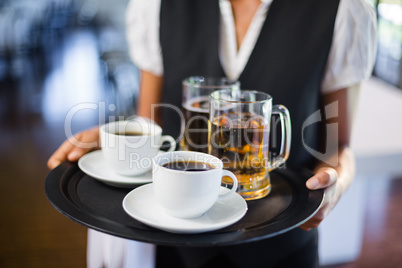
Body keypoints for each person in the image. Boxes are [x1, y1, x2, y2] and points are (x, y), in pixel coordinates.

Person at [48, 0, 377, 267]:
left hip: (281, 246)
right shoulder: (155, 5)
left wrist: (335, 183)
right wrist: (114, 139)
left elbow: (338, 148)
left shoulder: (344, 9)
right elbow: (150, 123)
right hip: (177, 244)